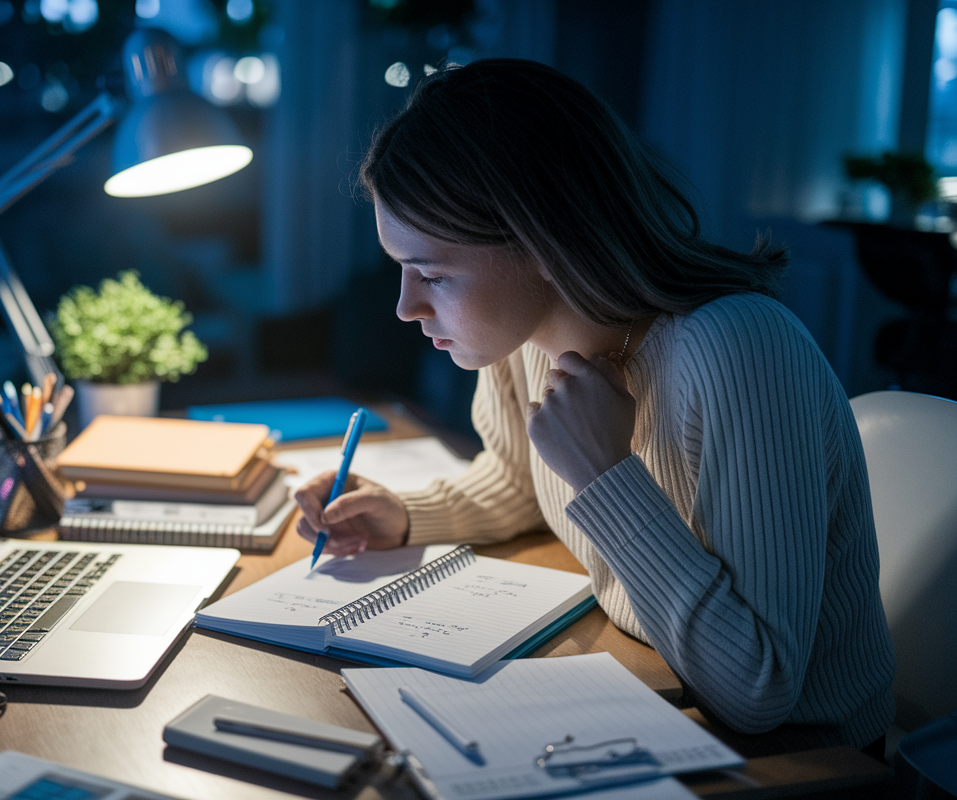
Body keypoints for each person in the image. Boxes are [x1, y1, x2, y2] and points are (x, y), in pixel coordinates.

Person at [294, 59, 894, 752]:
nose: (405, 307)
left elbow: (760, 690)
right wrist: (404, 514)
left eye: (431, 273)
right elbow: (522, 482)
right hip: (650, 689)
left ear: (544, 243)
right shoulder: (526, 338)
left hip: (808, 761)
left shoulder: (740, 350)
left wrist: (608, 475)